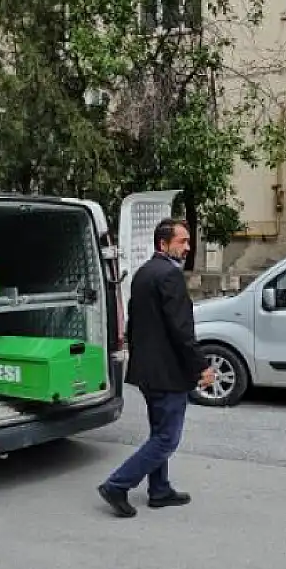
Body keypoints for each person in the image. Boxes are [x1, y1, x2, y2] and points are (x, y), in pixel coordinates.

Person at [97, 219, 214, 518]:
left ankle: (159, 490)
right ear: (163, 244)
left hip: (148, 371)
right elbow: (181, 329)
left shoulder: (144, 273)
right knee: (166, 439)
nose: (187, 248)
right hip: (167, 374)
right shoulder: (169, 276)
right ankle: (117, 484)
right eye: (182, 242)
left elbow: (134, 325)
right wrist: (202, 366)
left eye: (188, 242)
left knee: (158, 432)